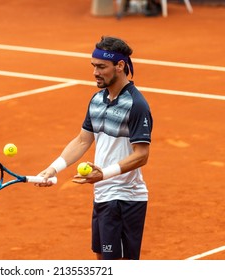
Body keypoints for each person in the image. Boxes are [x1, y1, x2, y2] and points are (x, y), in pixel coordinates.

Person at [36, 36, 153, 260]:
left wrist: (104, 174)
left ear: (120, 66)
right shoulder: (97, 100)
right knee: (102, 259)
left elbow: (141, 155)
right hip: (102, 194)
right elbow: (82, 140)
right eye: (93, 66)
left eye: (101, 67)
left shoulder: (136, 105)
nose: (95, 72)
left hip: (124, 198)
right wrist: (53, 168)